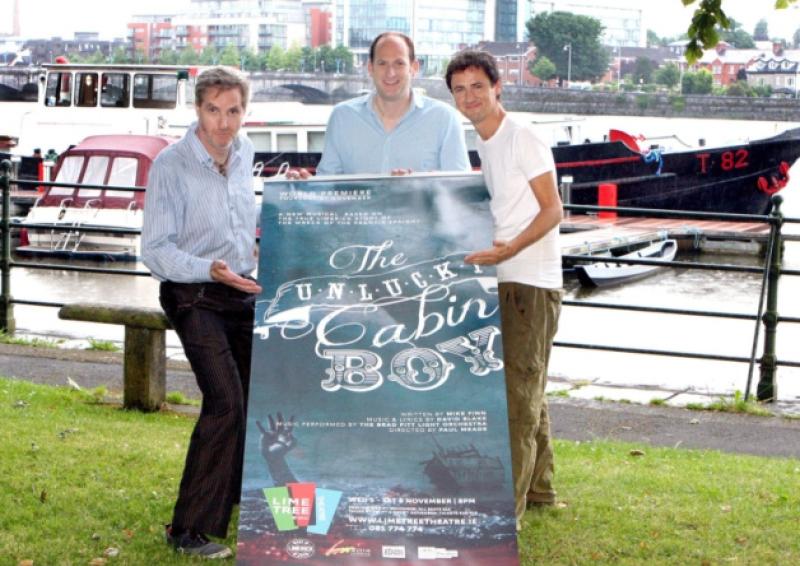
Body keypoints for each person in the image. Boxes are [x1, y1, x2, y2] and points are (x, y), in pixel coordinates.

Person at [142, 66, 262, 559]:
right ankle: (187, 529)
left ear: (244, 111)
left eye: (233, 111)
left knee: (256, 399)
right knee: (226, 402)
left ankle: (232, 500)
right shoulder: (170, 165)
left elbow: (243, 231)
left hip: (239, 290)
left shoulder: (246, 153)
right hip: (192, 292)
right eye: (213, 110)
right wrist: (208, 270)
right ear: (197, 108)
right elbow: (154, 250)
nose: (223, 123)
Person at [445, 51, 564, 528]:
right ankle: (540, 490)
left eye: (478, 86)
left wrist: (510, 249)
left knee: (516, 397)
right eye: (459, 89)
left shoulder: (522, 137)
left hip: (528, 280)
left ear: (498, 88)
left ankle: (505, 514)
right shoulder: (485, 139)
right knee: (526, 387)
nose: (469, 96)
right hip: (506, 275)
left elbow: (553, 210)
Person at [289, 32, 469, 178]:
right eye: (382, 63)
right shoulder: (342, 117)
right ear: (370, 68)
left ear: (413, 68)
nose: (390, 73)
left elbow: (460, 194)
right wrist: (306, 188)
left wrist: (419, 190)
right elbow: (328, 188)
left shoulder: (444, 119)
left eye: (399, 63)